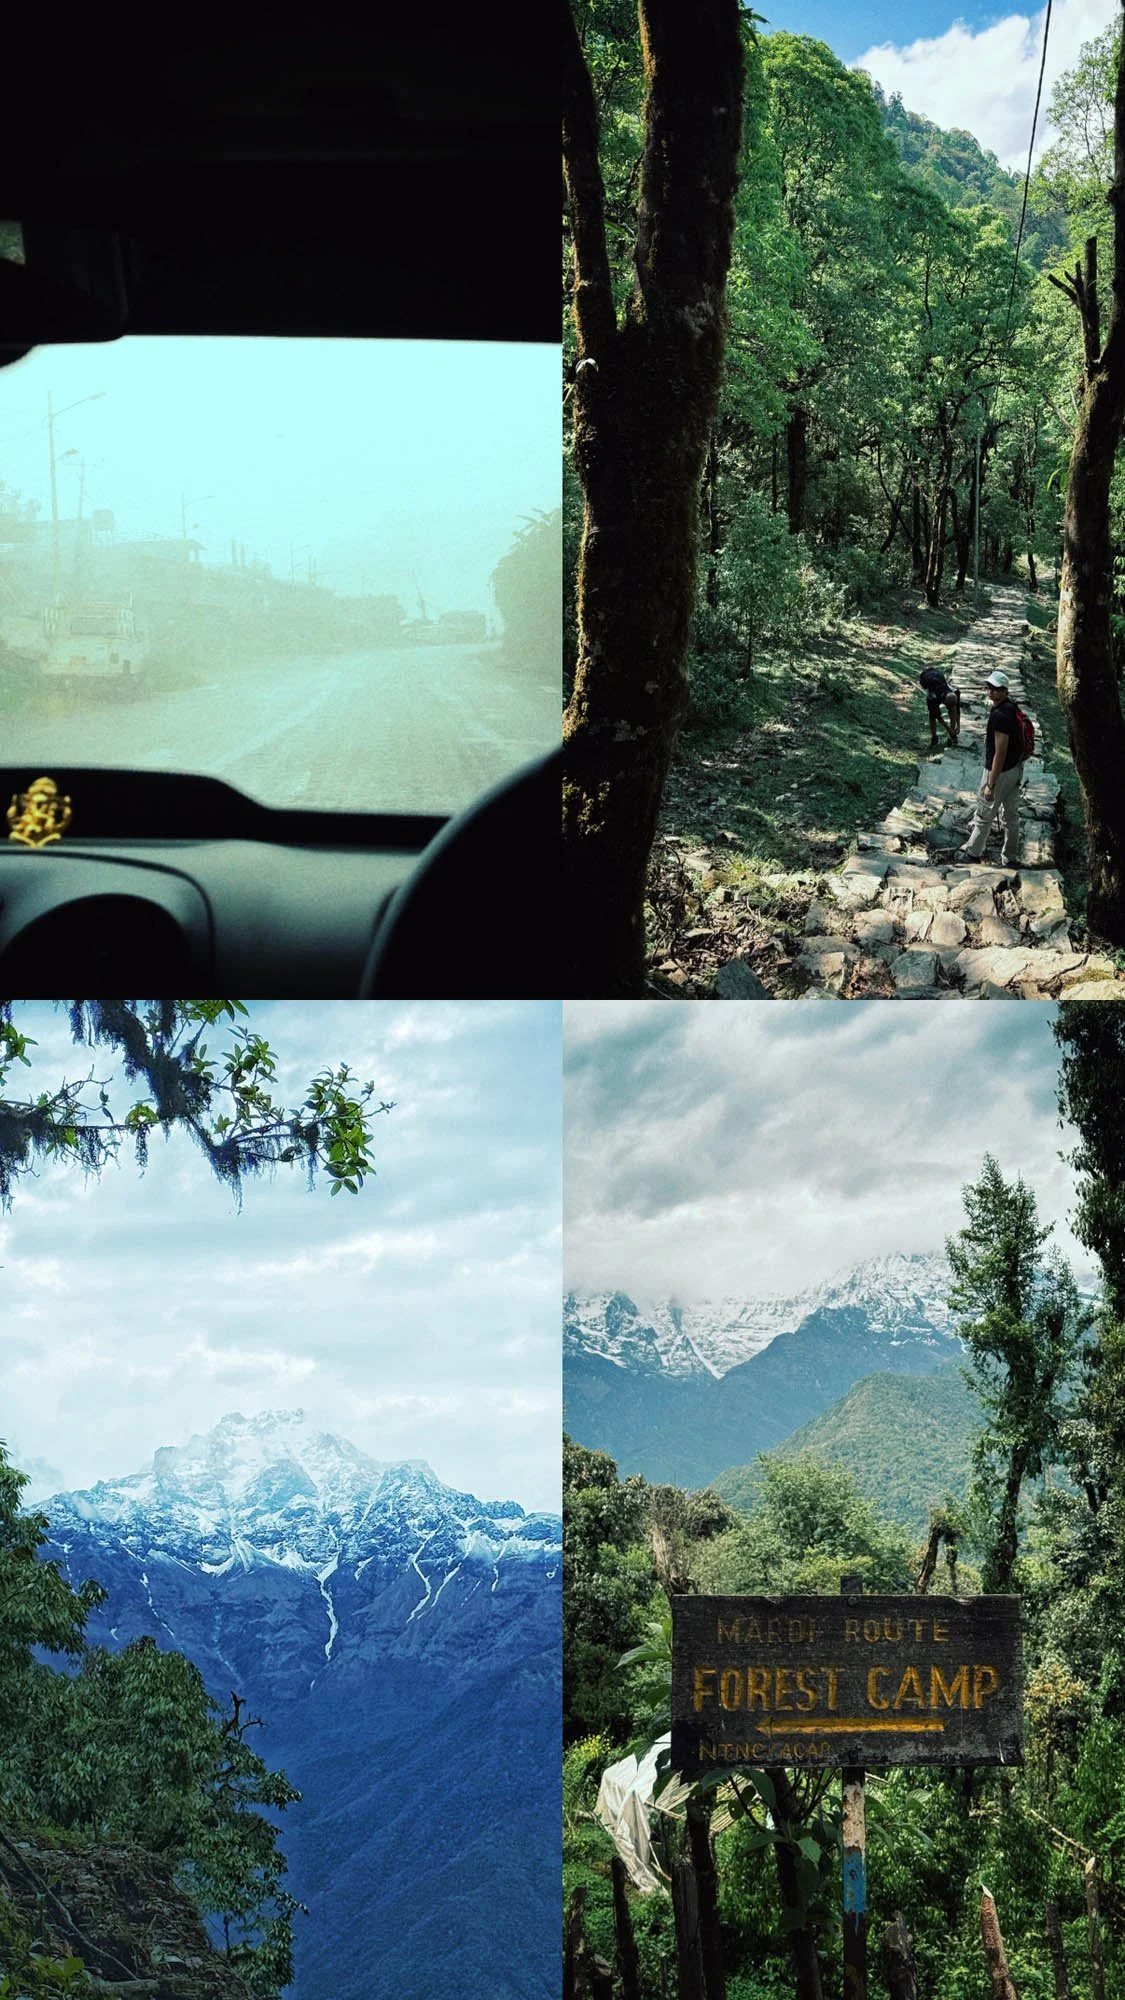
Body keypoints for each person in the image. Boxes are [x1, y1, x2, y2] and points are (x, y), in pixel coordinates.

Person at [956, 670, 1025, 868]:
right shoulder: (1012, 707)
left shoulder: (1001, 716)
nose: (990, 692)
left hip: (1000, 772)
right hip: (1015, 769)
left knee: (985, 813)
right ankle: (1010, 857)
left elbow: (1000, 752)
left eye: (995, 689)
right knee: (1011, 816)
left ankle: (973, 852)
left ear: (1004, 691)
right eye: (989, 687)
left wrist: (990, 784)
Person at [919, 665, 959, 749]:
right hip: (927, 683)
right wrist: (949, 730)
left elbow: (957, 710)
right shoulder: (933, 697)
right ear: (945, 701)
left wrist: (957, 727)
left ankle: (951, 738)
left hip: (940, 681)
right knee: (932, 716)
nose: (949, 707)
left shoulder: (955, 692)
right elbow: (938, 716)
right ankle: (934, 738)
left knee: (953, 709)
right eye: (949, 705)